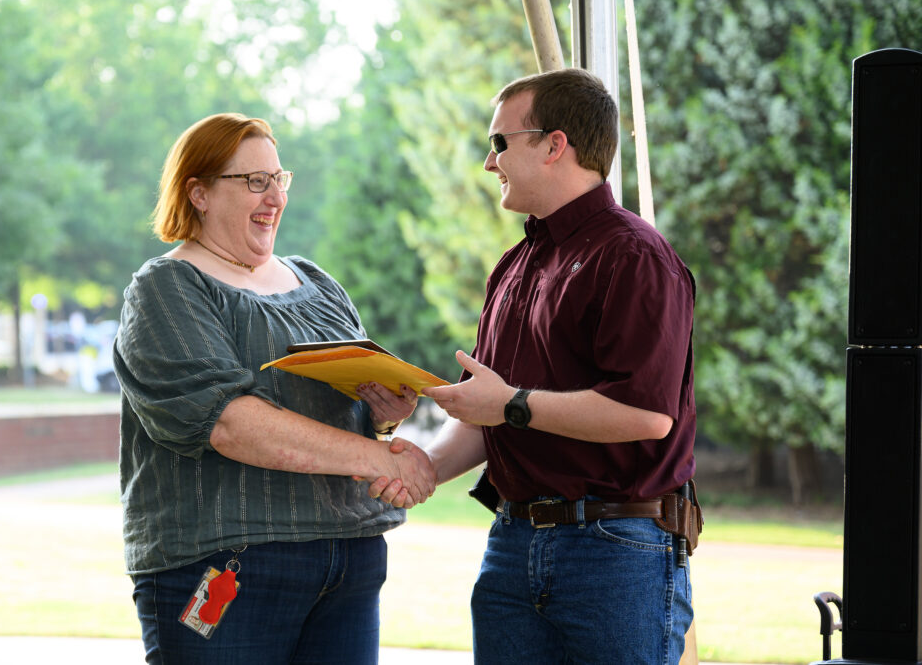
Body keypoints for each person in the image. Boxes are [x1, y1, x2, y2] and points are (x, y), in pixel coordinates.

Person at [373, 68, 698, 664]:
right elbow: (487, 413)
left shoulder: (636, 256)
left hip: (616, 551)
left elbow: (648, 414)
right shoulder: (512, 267)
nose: (488, 162)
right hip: (511, 544)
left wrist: (511, 404)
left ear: (554, 145)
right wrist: (418, 467)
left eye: (500, 142)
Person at [113, 112, 436, 665]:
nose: (274, 197)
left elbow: (343, 413)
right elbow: (231, 424)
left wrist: (383, 417)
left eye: (279, 178)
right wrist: (383, 460)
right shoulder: (167, 287)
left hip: (350, 561)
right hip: (226, 567)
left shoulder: (316, 281)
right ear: (199, 193)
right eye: (254, 181)